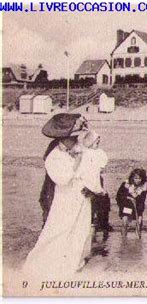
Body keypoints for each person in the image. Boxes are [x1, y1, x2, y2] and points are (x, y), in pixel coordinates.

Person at [23, 129, 100, 275]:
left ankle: (73, 262)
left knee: (81, 229)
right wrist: (77, 162)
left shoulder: (76, 148)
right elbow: (63, 179)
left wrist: (91, 187)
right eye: (72, 138)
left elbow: (92, 149)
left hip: (82, 197)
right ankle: (43, 264)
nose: (76, 140)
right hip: (65, 198)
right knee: (59, 229)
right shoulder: (53, 157)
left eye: (76, 137)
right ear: (63, 139)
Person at [38, 113, 88, 227]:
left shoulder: (70, 146)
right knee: (53, 216)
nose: (76, 140)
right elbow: (61, 177)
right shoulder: (54, 152)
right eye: (73, 138)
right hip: (57, 186)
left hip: (67, 188)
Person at [76, 130, 111, 242]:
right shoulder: (85, 153)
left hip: (93, 182)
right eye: (96, 142)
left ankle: (99, 227)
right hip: (88, 185)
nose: (98, 144)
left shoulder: (98, 153)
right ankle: (91, 232)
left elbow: (99, 170)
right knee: (90, 208)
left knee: (98, 206)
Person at [116, 168, 147, 238]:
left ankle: (138, 240)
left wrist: (140, 215)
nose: (138, 180)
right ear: (132, 178)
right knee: (125, 222)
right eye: (136, 178)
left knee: (139, 223)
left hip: (137, 207)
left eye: (140, 178)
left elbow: (142, 201)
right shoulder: (126, 184)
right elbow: (119, 196)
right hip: (126, 206)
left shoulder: (144, 187)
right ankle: (123, 240)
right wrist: (128, 198)